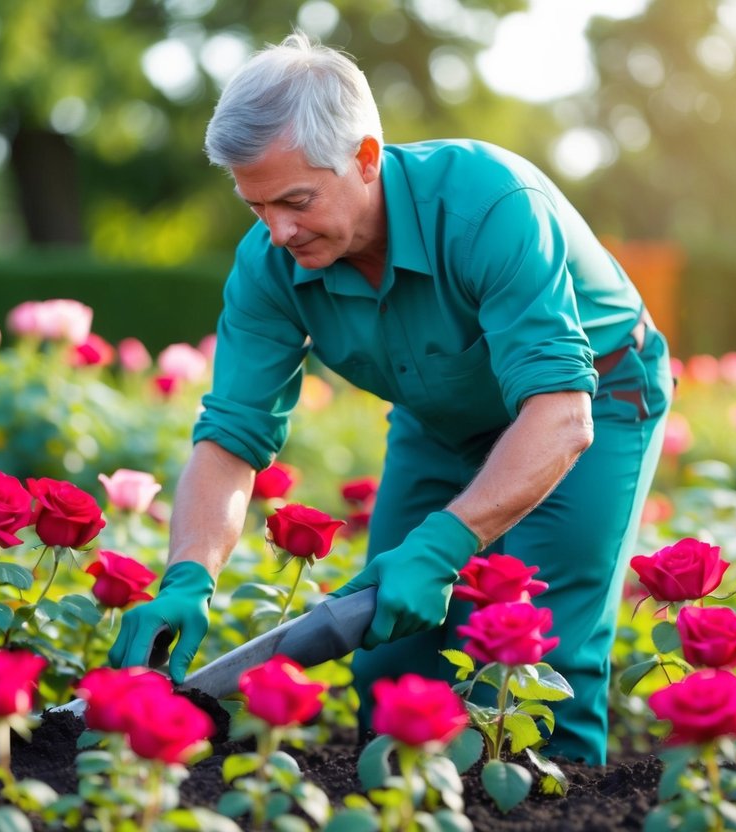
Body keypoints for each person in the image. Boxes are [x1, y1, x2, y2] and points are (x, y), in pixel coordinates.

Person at [108, 31, 672, 765]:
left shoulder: (490, 206)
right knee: (387, 659)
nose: (277, 230)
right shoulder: (268, 267)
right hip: (440, 421)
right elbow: (231, 438)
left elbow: (560, 417)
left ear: (366, 157)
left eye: (296, 200)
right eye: (256, 207)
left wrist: (443, 544)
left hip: (591, 399)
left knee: (537, 655)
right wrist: (187, 574)